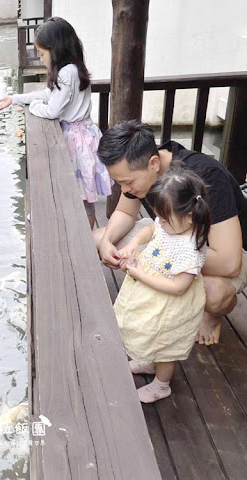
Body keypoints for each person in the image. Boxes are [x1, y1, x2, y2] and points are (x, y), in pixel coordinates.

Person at [95, 120, 247, 345]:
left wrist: (154, 259)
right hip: (170, 234)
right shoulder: (139, 170)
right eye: (119, 183)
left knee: (215, 294)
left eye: (127, 183)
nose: (124, 190)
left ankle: (212, 315)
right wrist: (107, 241)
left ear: (154, 163)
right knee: (96, 239)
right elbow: (126, 214)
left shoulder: (205, 174)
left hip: (224, 252)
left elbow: (229, 261)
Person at [0, 17, 111, 229]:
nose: (40, 59)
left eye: (41, 53)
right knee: (84, 198)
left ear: (55, 49)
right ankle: (88, 240)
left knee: (82, 199)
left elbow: (52, 110)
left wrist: (33, 107)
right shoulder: (74, 69)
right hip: (85, 136)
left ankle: (86, 242)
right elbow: (49, 94)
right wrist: (16, 98)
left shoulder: (66, 73)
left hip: (76, 142)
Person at [114, 163, 210, 403]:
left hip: (170, 303)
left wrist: (140, 274)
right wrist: (134, 244)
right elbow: (150, 230)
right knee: (149, 328)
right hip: (153, 291)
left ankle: (161, 384)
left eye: (165, 220)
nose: (161, 223)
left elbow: (179, 287)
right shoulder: (168, 222)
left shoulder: (190, 248)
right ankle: (148, 361)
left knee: (165, 342)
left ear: (189, 217)